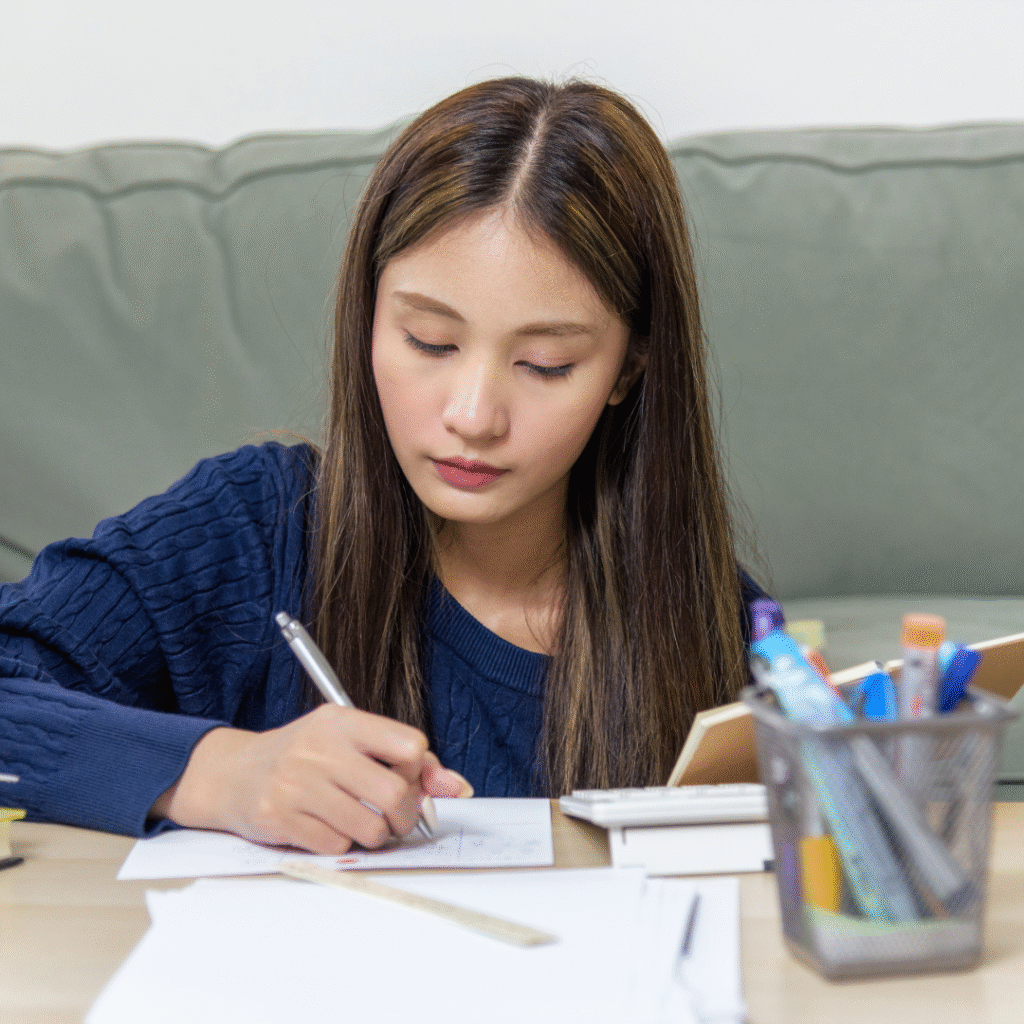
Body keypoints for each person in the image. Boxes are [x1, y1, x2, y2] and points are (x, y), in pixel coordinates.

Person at [0, 77, 763, 855]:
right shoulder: (254, 529)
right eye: (430, 342)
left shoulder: (712, 623)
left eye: (545, 363)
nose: (472, 415)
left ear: (628, 372)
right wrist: (220, 773)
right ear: (368, 315)